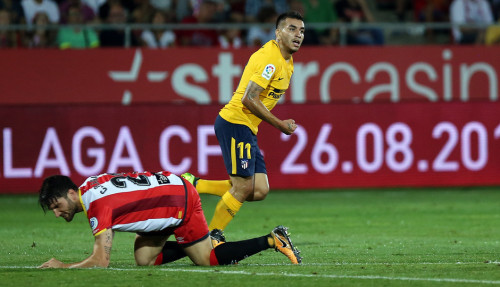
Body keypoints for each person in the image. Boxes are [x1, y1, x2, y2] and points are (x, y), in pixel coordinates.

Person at [181, 11, 304, 233]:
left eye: (302, 30)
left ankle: (195, 184)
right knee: (243, 186)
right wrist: (280, 125)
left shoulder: (288, 61)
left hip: (247, 126)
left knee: (259, 189)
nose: (298, 34)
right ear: (278, 33)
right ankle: (210, 240)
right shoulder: (270, 59)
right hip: (235, 121)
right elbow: (249, 98)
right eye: (292, 29)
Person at [38, 171, 302, 268]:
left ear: (72, 193)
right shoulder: (91, 185)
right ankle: (201, 241)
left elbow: (101, 262)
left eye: (58, 205)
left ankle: (272, 239)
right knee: (144, 259)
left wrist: (62, 266)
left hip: (177, 201)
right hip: (167, 194)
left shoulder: (96, 205)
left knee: (206, 259)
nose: (57, 213)